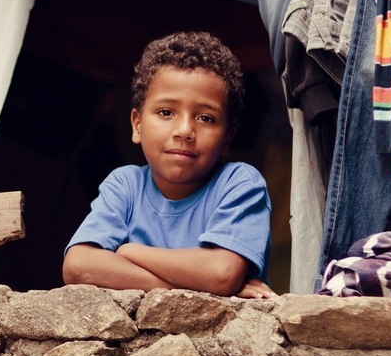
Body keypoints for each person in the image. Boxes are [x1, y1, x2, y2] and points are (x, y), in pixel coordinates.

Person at [62, 31, 275, 298]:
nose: (185, 130)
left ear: (227, 138)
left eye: (206, 118)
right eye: (166, 112)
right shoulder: (125, 184)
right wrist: (189, 286)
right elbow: (79, 266)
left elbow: (222, 273)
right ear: (137, 125)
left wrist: (129, 251)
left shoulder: (239, 183)